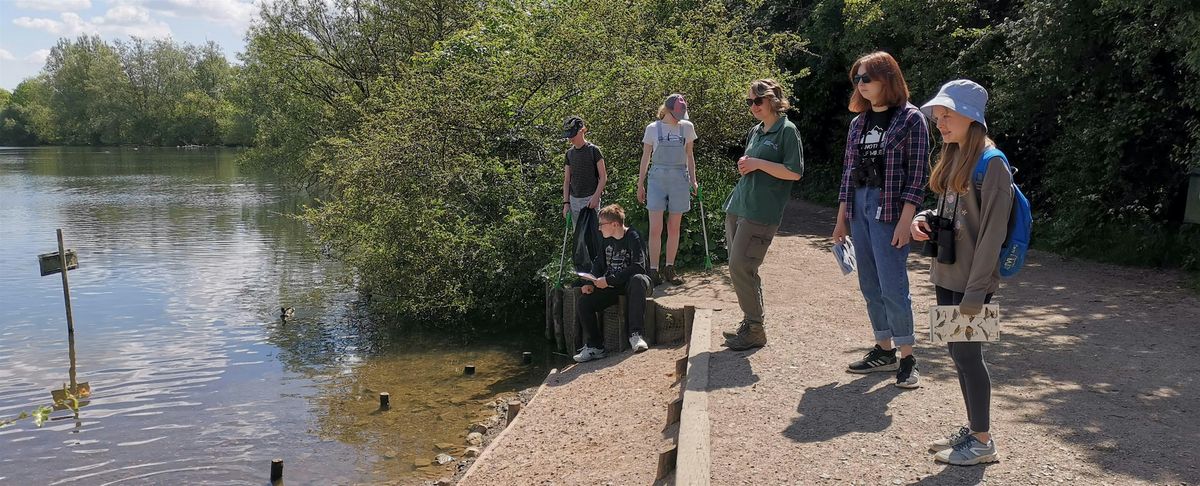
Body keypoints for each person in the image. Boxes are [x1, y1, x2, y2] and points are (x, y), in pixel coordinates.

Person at [912, 79, 1012, 465]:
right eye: (937, 116)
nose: (939, 122)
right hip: (947, 274)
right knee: (957, 353)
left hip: (973, 281)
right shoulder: (955, 155)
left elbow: (992, 236)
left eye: (946, 114)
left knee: (970, 356)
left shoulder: (993, 163)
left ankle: (983, 442)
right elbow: (950, 213)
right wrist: (923, 217)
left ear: (972, 116)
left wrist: (977, 291)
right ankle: (973, 429)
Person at [832, 51, 931, 389]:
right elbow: (848, 173)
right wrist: (841, 219)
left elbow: (917, 175)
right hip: (860, 205)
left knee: (893, 286)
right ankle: (884, 349)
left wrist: (907, 220)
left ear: (887, 79)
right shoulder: (858, 123)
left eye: (867, 78)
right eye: (857, 79)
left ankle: (907, 356)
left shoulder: (911, 119)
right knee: (869, 284)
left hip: (890, 208)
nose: (860, 85)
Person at [720, 79, 803, 351]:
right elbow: (756, 166)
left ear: (774, 100)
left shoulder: (787, 131)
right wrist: (747, 164)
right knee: (741, 267)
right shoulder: (756, 131)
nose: (753, 106)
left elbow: (794, 172)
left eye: (758, 100)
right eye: (750, 102)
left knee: (740, 266)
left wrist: (757, 163)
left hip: (762, 211)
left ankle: (755, 328)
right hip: (739, 205)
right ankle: (751, 323)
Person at [573, 204, 652, 363]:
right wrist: (590, 280)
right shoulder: (605, 240)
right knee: (584, 302)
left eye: (601, 224)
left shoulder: (633, 237)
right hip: (614, 286)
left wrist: (608, 280)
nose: (599, 228)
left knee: (637, 279)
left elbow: (639, 267)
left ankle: (636, 335)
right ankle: (595, 346)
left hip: (636, 284)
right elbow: (598, 264)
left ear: (614, 224)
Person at [637, 94, 698, 286]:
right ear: (669, 109)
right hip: (657, 180)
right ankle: (653, 270)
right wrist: (641, 184)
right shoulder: (653, 128)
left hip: (679, 179)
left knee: (674, 227)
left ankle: (669, 268)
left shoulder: (687, 127)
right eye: (678, 112)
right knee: (656, 228)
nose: (680, 115)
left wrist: (693, 181)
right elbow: (646, 157)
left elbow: (690, 156)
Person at [562, 115, 608, 223]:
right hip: (574, 201)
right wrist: (566, 203)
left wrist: (596, 197)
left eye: (573, 134)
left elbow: (603, 177)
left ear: (582, 130)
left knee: (592, 235)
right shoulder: (569, 154)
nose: (570, 138)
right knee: (578, 236)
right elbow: (567, 180)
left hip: (591, 199)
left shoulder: (594, 150)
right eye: (568, 135)